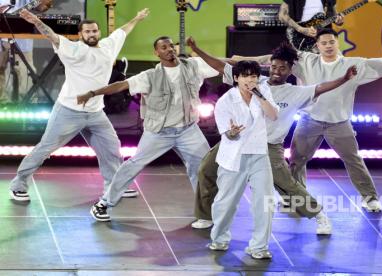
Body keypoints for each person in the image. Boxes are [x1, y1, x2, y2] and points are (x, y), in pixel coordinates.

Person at [232, 28, 382, 212]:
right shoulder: (306, 60)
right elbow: (272, 58)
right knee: (296, 161)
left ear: (337, 43)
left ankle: (370, 197)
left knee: (353, 159)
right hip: (309, 120)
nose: (328, 46)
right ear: (317, 46)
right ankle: (293, 197)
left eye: (331, 42)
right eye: (324, 43)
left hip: (339, 123)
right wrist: (243, 59)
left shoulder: (354, 64)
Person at [187, 39, 356, 235]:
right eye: (274, 67)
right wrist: (197, 49)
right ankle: (206, 216)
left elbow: (321, 87)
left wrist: (344, 79)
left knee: (286, 185)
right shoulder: (253, 81)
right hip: (238, 140)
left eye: (282, 68)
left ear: (290, 70)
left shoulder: (296, 92)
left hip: (268, 146)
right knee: (206, 169)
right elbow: (220, 66)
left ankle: (319, 215)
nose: (276, 71)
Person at [9, 8, 149, 201]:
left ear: (99, 32)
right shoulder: (73, 48)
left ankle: (113, 187)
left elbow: (123, 30)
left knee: (112, 148)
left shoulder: (109, 45)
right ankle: (18, 184)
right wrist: (35, 21)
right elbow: (51, 36)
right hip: (68, 111)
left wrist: (137, 17)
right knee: (45, 148)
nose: (92, 34)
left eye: (94, 31)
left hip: (95, 112)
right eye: (87, 31)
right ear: (80, 34)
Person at [78, 36, 220, 222]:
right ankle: (104, 203)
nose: (169, 49)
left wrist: (259, 60)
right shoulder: (149, 76)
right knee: (133, 164)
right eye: (164, 47)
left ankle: (206, 212)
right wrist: (93, 93)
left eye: (171, 46)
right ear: (157, 53)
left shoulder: (193, 66)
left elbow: (223, 64)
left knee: (202, 168)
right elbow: (121, 85)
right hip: (159, 132)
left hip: (188, 130)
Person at [207, 59, 279, 259]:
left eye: (254, 76)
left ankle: (259, 247)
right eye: (246, 76)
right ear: (236, 78)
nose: (250, 80)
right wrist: (232, 132)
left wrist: (259, 94)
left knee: (265, 201)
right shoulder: (226, 101)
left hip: (259, 155)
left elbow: (273, 115)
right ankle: (219, 238)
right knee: (226, 203)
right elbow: (227, 135)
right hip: (233, 157)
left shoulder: (263, 93)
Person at [0, 0, 53, 103]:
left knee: (24, 73)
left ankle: (28, 106)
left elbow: (41, 7)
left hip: (21, 37)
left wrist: (44, 4)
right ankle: (2, 105)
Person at [279, 0, 343, 38]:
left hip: (323, 35)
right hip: (301, 35)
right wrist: (300, 29)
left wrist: (338, 20)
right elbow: (282, 15)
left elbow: (333, 15)